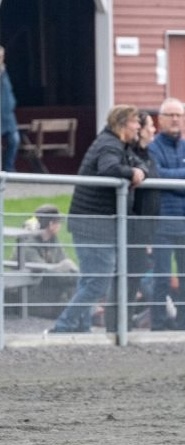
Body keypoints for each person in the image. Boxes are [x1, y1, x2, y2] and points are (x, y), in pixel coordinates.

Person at [47, 105, 146, 333]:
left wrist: (139, 171)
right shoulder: (109, 144)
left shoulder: (118, 145)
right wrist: (132, 173)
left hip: (94, 224)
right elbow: (108, 168)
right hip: (93, 225)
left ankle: (80, 327)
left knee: (89, 280)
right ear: (122, 124)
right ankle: (63, 327)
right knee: (98, 282)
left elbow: (141, 163)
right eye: (135, 122)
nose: (138, 126)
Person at [148, 98, 185, 330]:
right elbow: (156, 175)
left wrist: (176, 182)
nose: (175, 119)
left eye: (178, 115)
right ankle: (158, 325)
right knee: (161, 278)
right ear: (160, 119)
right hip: (162, 224)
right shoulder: (152, 148)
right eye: (170, 115)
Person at [120, 110, 161, 330]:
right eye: (149, 126)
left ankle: (125, 326)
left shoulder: (148, 155)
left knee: (134, 278)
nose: (154, 130)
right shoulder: (132, 155)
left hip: (146, 227)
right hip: (134, 228)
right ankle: (119, 327)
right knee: (127, 279)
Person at [15, 205, 79, 319]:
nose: (60, 226)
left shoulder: (53, 240)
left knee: (76, 285)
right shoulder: (29, 244)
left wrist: (71, 271)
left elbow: (64, 262)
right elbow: (44, 272)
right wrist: (74, 274)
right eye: (58, 222)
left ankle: (89, 312)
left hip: (50, 289)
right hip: (33, 294)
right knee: (77, 283)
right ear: (51, 224)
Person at [0, 45, 19, 172]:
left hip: (8, 116)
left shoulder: (4, 72)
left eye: (2, 56)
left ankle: (9, 168)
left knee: (15, 140)